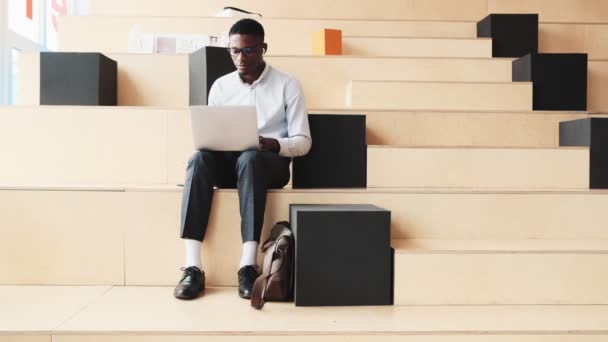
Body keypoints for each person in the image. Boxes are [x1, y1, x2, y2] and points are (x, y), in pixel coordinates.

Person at [174, 18, 312, 300]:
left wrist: (270, 144)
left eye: (248, 50)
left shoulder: (288, 84)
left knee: (250, 158)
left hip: (268, 164)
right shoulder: (221, 87)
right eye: (234, 51)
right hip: (230, 162)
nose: (241, 57)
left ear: (263, 48)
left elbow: (303, 142)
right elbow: (211, 134)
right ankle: (192, 267)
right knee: (198, 159)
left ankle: (248, 265)